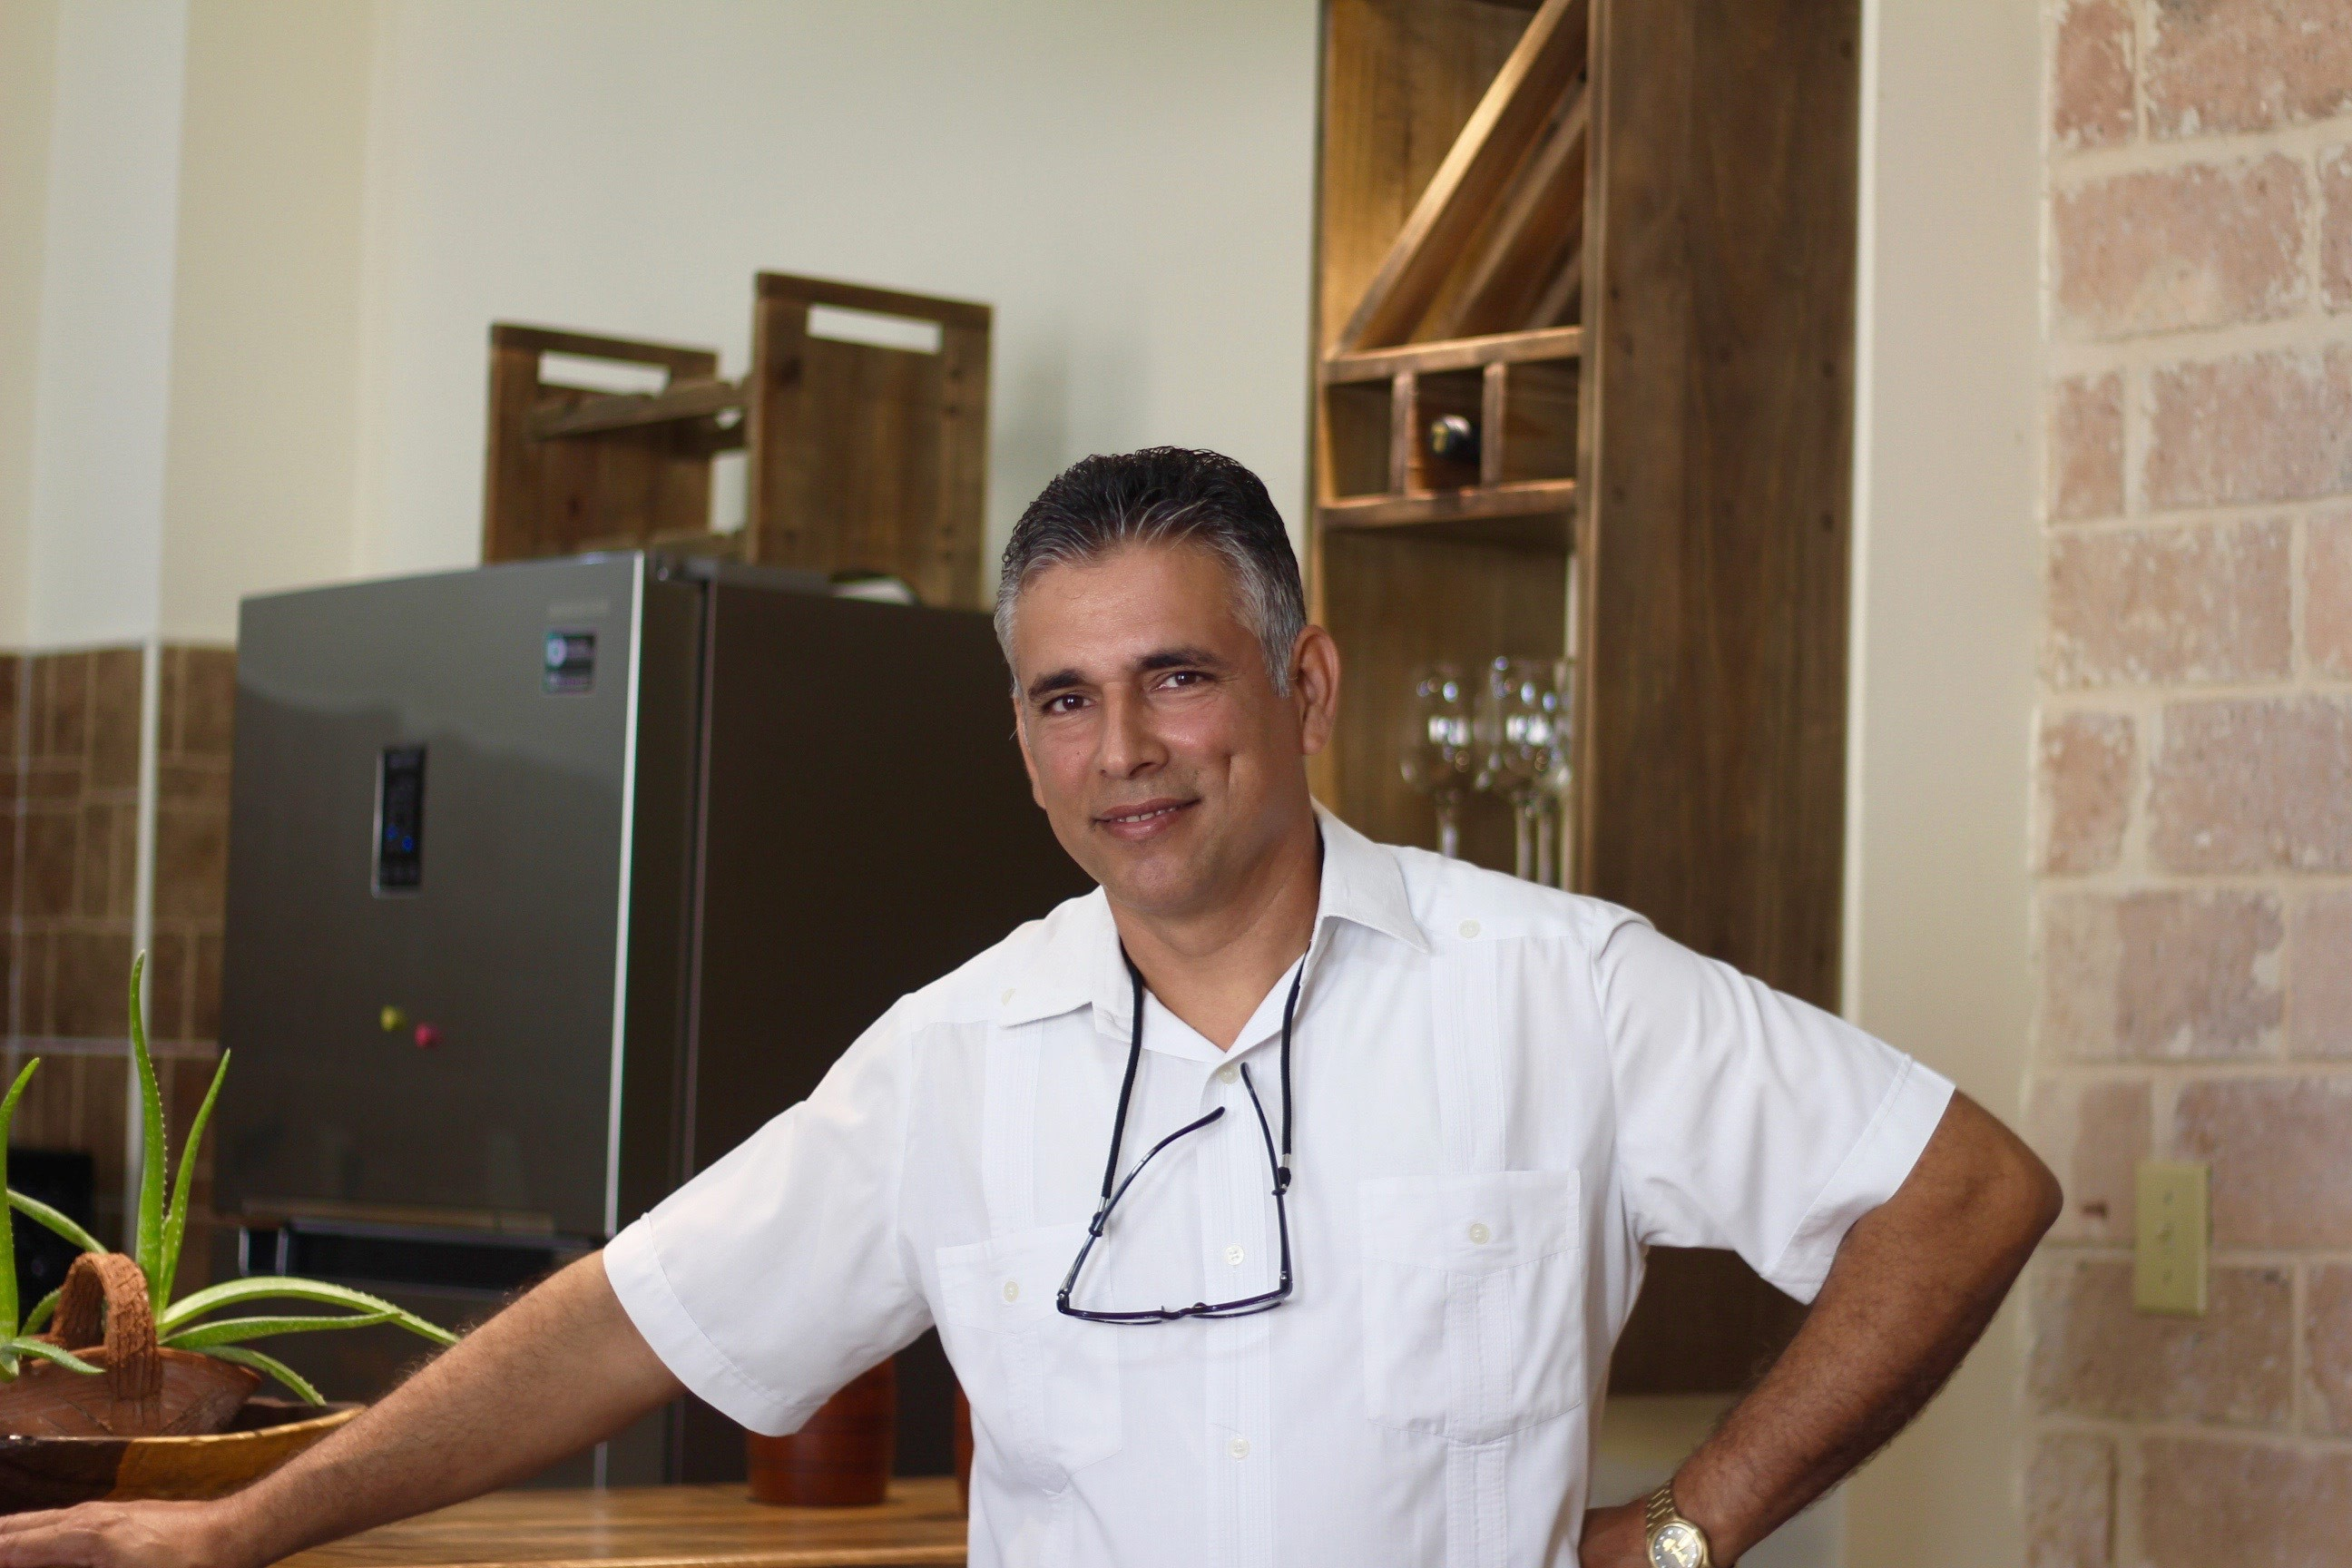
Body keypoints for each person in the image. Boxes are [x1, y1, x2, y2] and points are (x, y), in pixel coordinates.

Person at [0, 447, 2058, 1568]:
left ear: (1304, 689)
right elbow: (633, 1319)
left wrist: (1695, 1534)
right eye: (1064, 698)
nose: (1124, 751)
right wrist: (255, 1525)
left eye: (1178, 676)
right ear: (1021, 737)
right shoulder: (955, 1057)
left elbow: (1964, 1189)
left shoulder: (1561, 990)